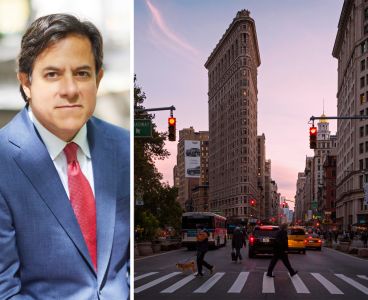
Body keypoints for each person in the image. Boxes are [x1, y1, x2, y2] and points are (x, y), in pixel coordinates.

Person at [0, 14, 130, 299]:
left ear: (98, 79)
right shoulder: (4, 161)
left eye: (82, 73)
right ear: (26, 82)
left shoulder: (124, 147)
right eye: (52, 74)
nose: (70, 90)